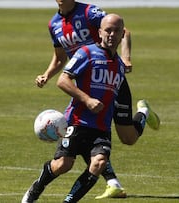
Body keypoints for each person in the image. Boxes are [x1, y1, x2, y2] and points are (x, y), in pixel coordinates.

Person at [22, 13, 159, 203]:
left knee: (99, 163)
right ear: (100, 32)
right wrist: (87, 100)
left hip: (101, 128)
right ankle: (35, 190)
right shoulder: (86, 52)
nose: (112, 34)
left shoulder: (118, 65)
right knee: (63, 164)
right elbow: (63, 80)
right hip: (77, 122)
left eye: (116, 31)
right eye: (108, 30)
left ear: (122, 35)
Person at [34, 0, 133, 199]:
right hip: (83, 80)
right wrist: (47, 74)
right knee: (91, 137)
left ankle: (144, 114)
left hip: (110, 75)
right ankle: (112, 182)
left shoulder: (89, 12)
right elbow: (60, 57)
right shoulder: (54, 24)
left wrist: (126, 58)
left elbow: (122, 31)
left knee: (128, 137)